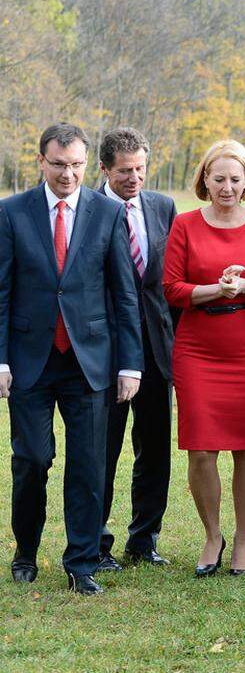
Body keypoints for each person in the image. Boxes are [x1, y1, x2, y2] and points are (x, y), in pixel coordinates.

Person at [0, 122, 142, 595]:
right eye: (59, 164)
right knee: (32, 459)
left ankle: (81, 561)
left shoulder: (107, 212)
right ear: (41, 161)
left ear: (87, 163)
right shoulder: (12, 213)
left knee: (88, 464)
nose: (68, 174)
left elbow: (124, 295)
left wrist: (130, 364)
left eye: (77, 165)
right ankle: (25, 551)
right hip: (30, 360)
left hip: (91, 362)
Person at [163, 140, 245, 577]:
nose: (228, 187)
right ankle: (212, 535)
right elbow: (172, 289)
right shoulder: (185, 225)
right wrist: (216, 289)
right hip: (198, 345)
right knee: (201, 449)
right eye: (219, 179)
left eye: (236, 179)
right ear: (205, 180)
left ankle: (243, 541)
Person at [97, 127, 178, 571]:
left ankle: (144, 539)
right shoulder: (89, 209)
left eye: (141, 169)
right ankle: (96, 538)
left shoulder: (162, 207)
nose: (134, 178)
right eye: (125, 170)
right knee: (102, 448)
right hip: (106, 353)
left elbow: (168, 281)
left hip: (156, 348)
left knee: (155, 447)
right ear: (105, 168)